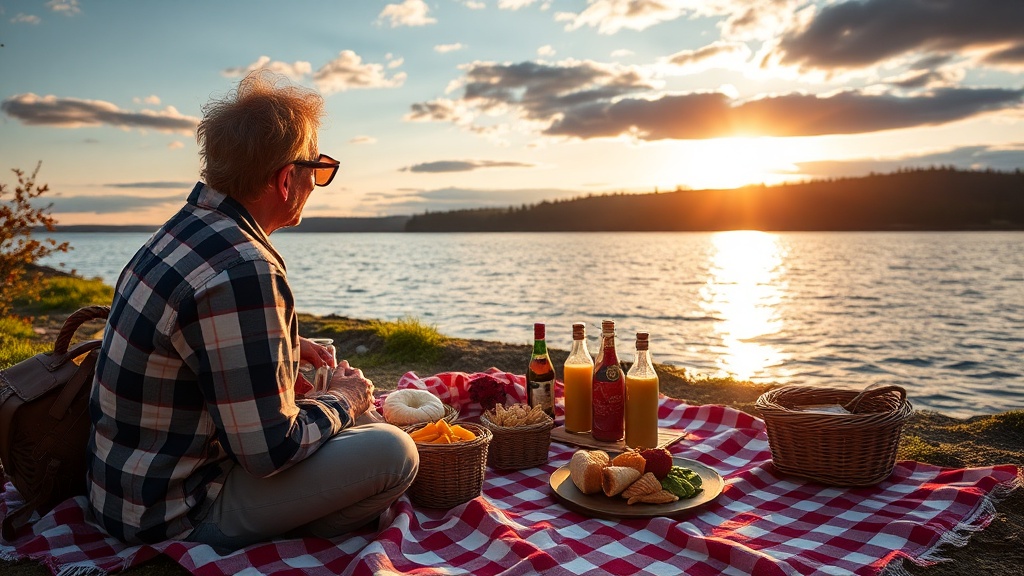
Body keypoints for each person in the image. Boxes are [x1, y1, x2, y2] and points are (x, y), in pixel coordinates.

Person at [87, 70, 418, 548]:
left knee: (360, 425)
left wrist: (283, 347)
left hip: (122, 489)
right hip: (174, 511)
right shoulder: (244, 267)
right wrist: (344, 399)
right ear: (286, 179)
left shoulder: (181, 232)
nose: (315, 183)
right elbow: (270, 452)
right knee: (393, 451)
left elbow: (188, 339)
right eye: (316, 170)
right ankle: (291, 531)